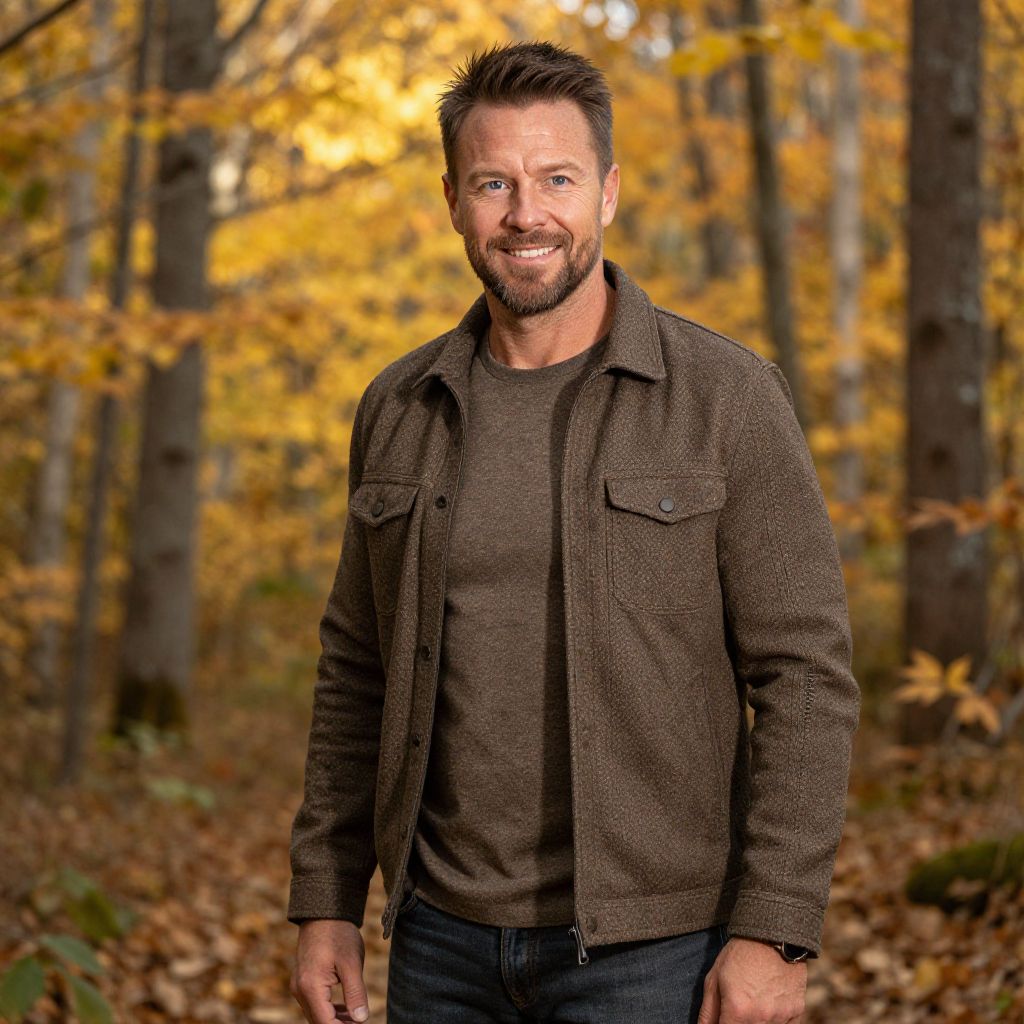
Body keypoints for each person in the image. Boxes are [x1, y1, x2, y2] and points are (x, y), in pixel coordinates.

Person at [287, 40, 860, 1024]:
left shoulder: (726, 397)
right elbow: (356, 666)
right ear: (452, 200)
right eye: (493, 183)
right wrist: (326, 898)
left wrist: (773, 927)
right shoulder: (399, 407)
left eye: (557, 177)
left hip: (657, 950)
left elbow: (804, 674)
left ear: (607, 192)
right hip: (439, 942)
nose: (525, 214)